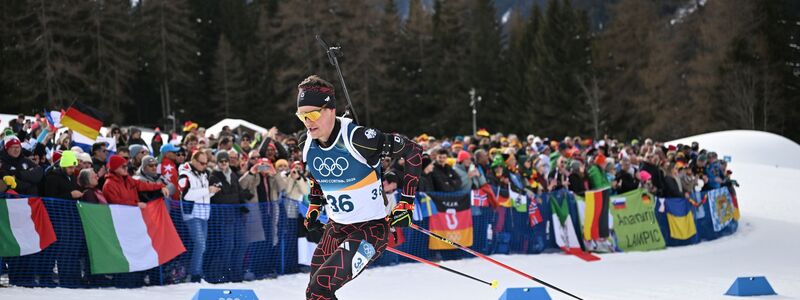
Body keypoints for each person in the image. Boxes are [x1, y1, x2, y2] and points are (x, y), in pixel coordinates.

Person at [296, 75, 422, 300]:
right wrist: (315, 203)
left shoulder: (359, 139)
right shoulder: (305, 142)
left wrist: (406, 203)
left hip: (370, 231)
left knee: (319, 289)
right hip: (335, 230)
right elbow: (317, 172)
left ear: (330, 110)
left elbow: (414, 151)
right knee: (314, 293)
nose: (308, 121)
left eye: (313, 114)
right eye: (302, 115)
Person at [178, 150, 220, 282]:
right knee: (200, 243)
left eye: (206, 163)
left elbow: (202, 195)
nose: (204, 165)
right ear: (194, 161)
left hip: (204, 214)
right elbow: (186, 195)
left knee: (203, 245)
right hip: (192, 214)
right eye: (201, 163)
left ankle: (199, 272)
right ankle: (194, 274)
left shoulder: (204, 174)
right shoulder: (185, 174)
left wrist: (212, 191)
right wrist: (207, 190)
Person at [205, 151, 247, 283]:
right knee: (226, 246)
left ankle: (236, 274)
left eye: (226, 161)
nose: (224, 164)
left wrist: (241, 202)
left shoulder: (233, 174)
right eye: (221, 161)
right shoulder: (214, 176)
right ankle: (221, 274)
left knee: (241, 244)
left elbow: (239, 193)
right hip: (223, 217)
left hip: (236, 215)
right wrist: (234, 198)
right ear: (217, 162)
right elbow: (218, 198)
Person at [103, 155, 169, 207]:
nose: (126, 168)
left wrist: (161, 186)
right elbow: (116, 203)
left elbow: (144, 185)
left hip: (134, 214)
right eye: (123, 166)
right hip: (120, 218)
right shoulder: (109, 185)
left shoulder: (128, 179)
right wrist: (136, 204)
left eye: (126, 166)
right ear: (115, 168)